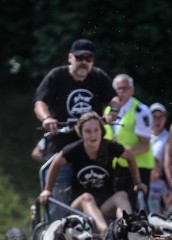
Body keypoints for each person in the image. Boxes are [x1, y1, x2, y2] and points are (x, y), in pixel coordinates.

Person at [34, 39, 116, 209]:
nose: (84, 63)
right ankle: (56, 230)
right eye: (80, 58)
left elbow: (114, 100)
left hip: (90, 150)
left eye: (89, 59)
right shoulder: (57, 76)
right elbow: (40, 103)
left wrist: (112, 112)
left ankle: (98, 230)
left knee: (98, 190)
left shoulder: (98, 76)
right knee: (60, 195)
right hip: (61, 145)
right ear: (70, 57)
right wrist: (47, 119)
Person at [38, 112, 144, 233]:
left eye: (96, 130)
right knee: (87, 198)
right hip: (79, 208)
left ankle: (127, 230)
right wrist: (47, 189)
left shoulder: (110, 146)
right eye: (88, 131)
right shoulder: (74, 149)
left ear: (101, 131)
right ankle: (106, 233)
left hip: (104, 206)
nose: (93, 135)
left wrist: (138, 182)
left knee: (122, 195)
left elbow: (130, 157)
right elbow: (55, 164)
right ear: (81, 133)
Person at [104, 74, 153, 211]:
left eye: (125, 88)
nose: (121, 91)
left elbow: (144, 145)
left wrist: (122, 153)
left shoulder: (141, 111)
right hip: (118, 167)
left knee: (137, 209)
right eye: (118, 88)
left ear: (132, 90)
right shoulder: (109, 110)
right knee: (122, 208)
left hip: (139, 167)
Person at [147, 102, 171, 216]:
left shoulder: (168, 137)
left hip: (160, 179)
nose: (157, 120)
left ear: (165, 119)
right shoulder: (145, 135)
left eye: (160, 117)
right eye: (154, 117)